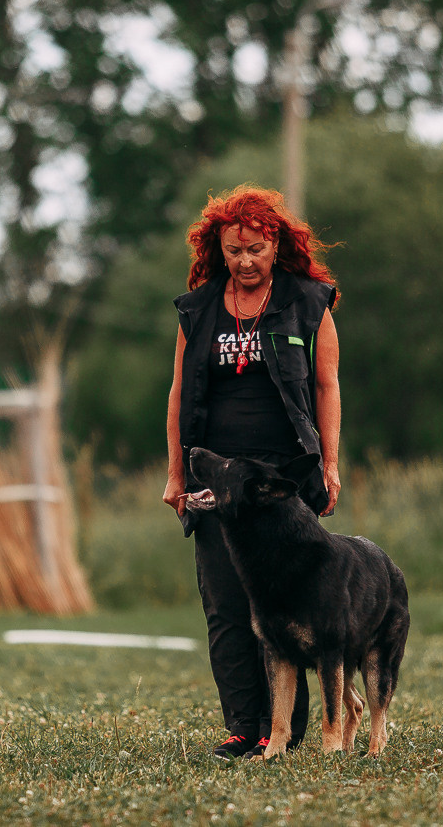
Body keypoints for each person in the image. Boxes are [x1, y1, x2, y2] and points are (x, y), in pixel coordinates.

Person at [163, 185, 341, 760]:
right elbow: (176, 395)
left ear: (275, 246)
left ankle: (284, 731)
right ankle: (245, 727)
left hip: (283, 479)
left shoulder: (309, 302)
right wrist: (175, 476)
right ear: (219, 250)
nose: (244, 261)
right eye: (233, 250)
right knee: (225, 604)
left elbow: (326, 385)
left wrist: (331, 465)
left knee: (292, 604)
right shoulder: (198, 310)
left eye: (256, 249)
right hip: (215, 474)